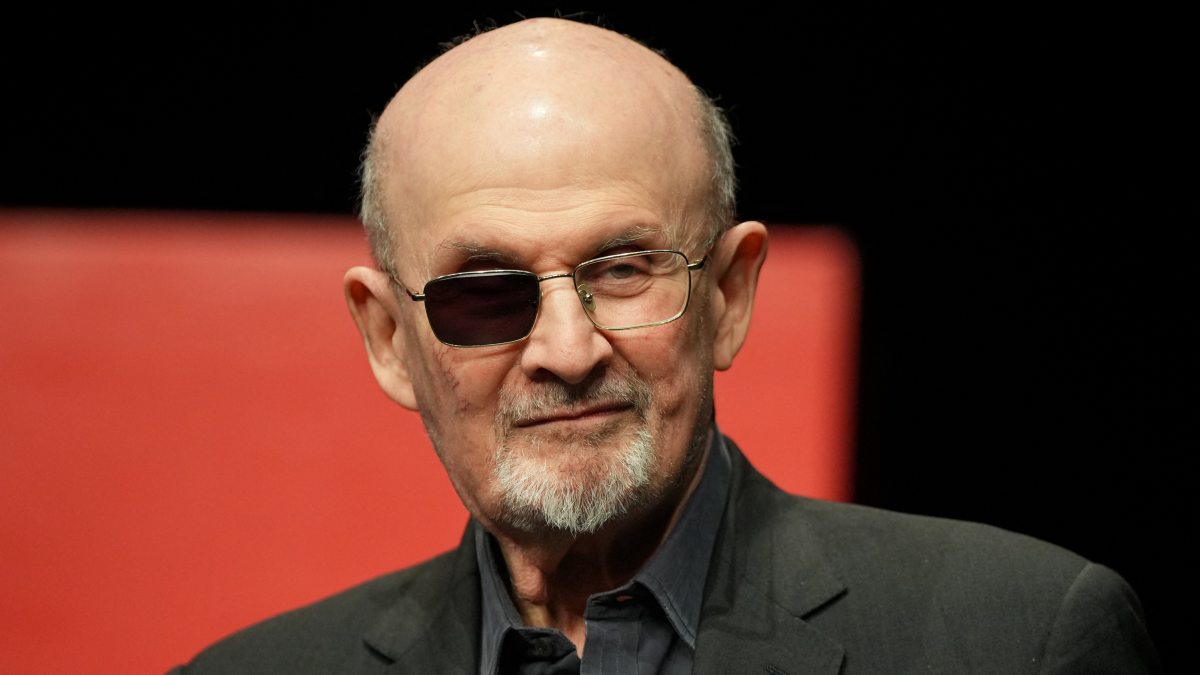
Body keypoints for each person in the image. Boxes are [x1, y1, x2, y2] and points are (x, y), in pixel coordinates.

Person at [171, 17, 1160, 674]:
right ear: (390, 338)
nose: (567, 350)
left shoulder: (1018, 639)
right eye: (487, 291)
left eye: (622, 269)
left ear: (728, 295)